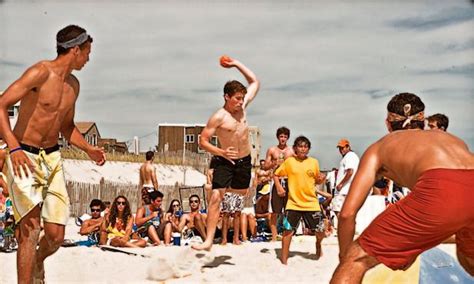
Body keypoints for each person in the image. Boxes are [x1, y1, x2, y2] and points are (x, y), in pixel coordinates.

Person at [0, 25, 106, 283]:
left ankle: (37, 262)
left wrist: (89, 148)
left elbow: (67, 127)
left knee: (56, 235)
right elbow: (1, 104)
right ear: (75, 49)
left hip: (52, 157)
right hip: (23, 154)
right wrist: (13, 148)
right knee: (30, 228)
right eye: (87, 52)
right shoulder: (40, 72)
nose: (89, 58)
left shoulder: (73, 85)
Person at [331, 92, 474, 283]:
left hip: (441, 187)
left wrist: (345, 258)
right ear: (423, 121)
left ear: (388, 124)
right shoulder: (451, 140)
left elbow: (347, 213)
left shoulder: (380, 147)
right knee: (469, 259)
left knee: (356, 258)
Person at [192, 55, 259, 251]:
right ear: (226, 97)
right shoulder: (219, 117)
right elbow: (202, 141)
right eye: (237, 98)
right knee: (216, 198)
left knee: (241, 194)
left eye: (242, 98)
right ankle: (209, 240)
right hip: (224, 160)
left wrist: (236, 64)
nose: (240, 102)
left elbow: (255, 81)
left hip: (244, 161)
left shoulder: (243, 108)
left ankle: (214, 188)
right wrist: (220, 151)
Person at [273, 136, 326, 264]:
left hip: (311, 203)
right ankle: (284, 260)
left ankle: (318, 244)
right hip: (293, 203)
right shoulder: (290, 162)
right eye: (300, 146)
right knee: (287, 231)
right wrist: (279, 187)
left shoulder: (314, 162)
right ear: (295, 148)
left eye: (305, 146)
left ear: (308, 149)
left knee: (321, 230)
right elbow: (275, 174)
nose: (303, 149)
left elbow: (317, 179)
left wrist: (321, 179)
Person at [264, 127, 294, 241]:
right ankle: (274, 236)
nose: (283, 139)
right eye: (281, 136)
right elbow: (265, 166)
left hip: (288, 180)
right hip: (276, 180)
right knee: (274, 210)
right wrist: (273, 163)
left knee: (289, 209)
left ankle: (288, 233)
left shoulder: (291, 151)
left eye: (285, 137)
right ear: (278, 137)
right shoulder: (272, 150)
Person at [331, 139, 359, 226]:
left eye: (343, 148)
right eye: (339, 148)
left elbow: (350, 171)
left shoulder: (349, 156)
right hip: (349, 189)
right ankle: (350, 227)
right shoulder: (352, 156)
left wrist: (341, 184)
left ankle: (344, 228)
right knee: (346, 212)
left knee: (337, 209)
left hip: (343, 189)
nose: (341, 150)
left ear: (348, 147)